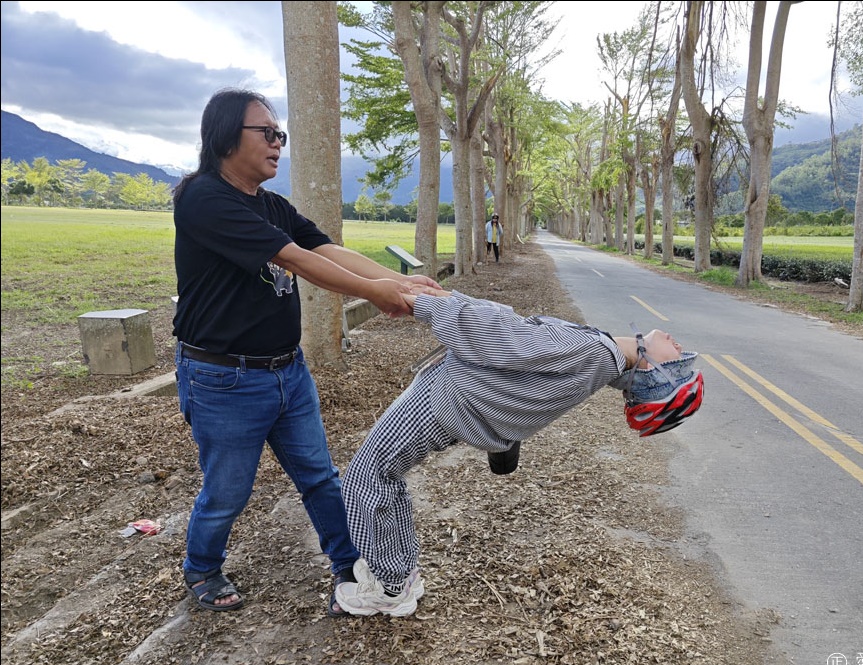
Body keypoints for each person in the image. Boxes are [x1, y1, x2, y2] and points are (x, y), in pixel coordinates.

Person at [172, 87, 440, 614]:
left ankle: (351, 569)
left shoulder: (271, 204)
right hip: (223, 378)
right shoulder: (205, 198)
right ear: (227, 135)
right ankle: (201, 568)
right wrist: (377, 294)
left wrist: (405, 282)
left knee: (320, 475)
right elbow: (294, 258)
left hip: (287, 372)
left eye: (280, 135)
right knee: (228, 492)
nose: (277, 143)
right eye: (266, 133)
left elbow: (327, 248)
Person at [335, 287, 704, 617]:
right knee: (383, 476)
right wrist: (451, 299)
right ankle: (398, 574)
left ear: (654, 372)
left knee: (367, 477)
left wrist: (434, 307)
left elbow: (509, 339)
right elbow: (524, 348)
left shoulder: (596, 354)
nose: (679, 346)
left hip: (441, 401)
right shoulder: (605, 358)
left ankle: (392, 588)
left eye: (677, 361)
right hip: (452, 398)